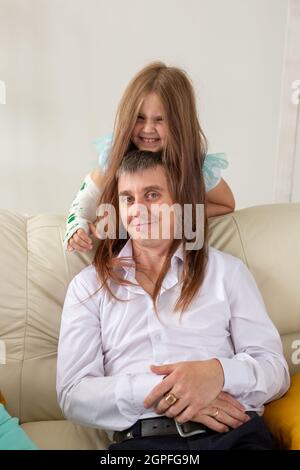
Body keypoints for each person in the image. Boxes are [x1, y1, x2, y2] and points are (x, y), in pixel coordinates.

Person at [57, 149, 290, 450]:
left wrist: (218, 374)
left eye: (152, 195)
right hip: (143, 445)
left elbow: (275, 369)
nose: (138, 209)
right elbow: (72, 394)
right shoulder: (89, 287)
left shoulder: (226, 272)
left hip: (233, 439)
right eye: (128, 198)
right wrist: (171, 391)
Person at [63, 61, 235, 253]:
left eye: (160, 120)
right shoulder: (115, 156)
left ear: (180, 124)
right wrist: (77, 226)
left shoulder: (196, 167)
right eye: (140, 118)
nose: (148, 129)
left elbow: (225, 204)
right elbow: (86, 198)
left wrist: (175, 215)